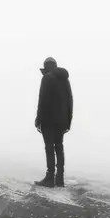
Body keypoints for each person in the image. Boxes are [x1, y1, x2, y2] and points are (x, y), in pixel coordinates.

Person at [34, 57, 73, 187]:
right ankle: (60, 179)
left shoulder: (47, 78)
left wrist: (38, 120)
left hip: (49, 120)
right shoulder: (65, 80)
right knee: (59, 148)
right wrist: (68, 121)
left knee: (49, 148)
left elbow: (43, 100)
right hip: (62, 121)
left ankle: (50, 177)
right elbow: (70, 101)